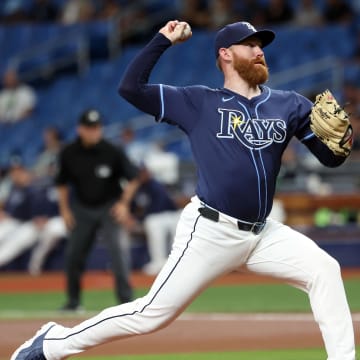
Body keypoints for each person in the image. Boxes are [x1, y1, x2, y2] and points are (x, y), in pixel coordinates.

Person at [11, 20, 356, 360]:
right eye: (249, 45)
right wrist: (162, 40)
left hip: (263, 235)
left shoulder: (290, 104)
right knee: (150, 315)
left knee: (323, 269)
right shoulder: (198, 102)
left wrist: (342, 143)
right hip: (210, 231)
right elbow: (130, 88)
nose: (258, 51)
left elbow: (329, 159)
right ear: (225, 54)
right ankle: (51, 345)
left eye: (260, 46)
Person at [54, 109, 139, 311]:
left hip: (109, 207)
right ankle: (73, 302)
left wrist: (124, 204)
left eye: (97, 128)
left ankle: (126, 302)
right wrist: (65, 211)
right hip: (82, 208)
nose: (94, 132)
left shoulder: (112, 150)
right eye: (90, 128)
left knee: (118, 253)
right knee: (74, 255)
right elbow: (62, 183)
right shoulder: (68, 153)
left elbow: (134, 177)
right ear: (80, 129)